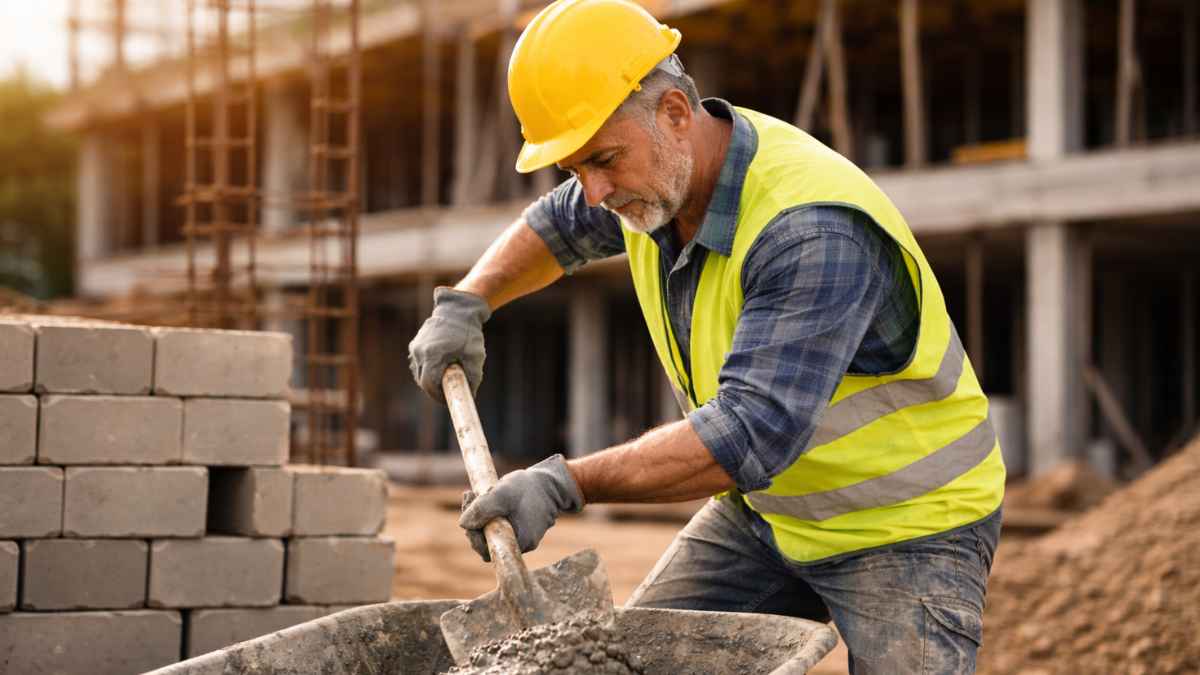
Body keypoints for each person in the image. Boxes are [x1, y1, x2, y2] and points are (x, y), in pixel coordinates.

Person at [408, 0, 1006, 672]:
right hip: (771, 514)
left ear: (674, 112)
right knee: (635, 662)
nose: (594, 192)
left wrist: (563, 482)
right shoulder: (654, 176)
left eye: (601, 160)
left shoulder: (808, 230)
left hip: (908, 525)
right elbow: (559, 225)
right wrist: (467, 300)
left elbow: (748, 434)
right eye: (576, 169)